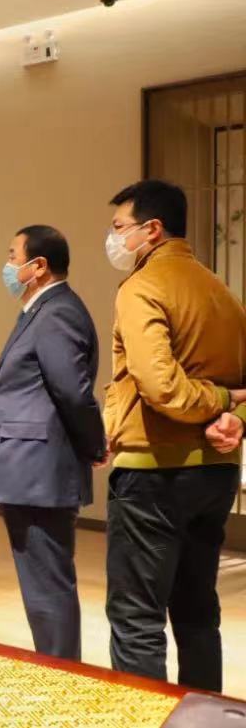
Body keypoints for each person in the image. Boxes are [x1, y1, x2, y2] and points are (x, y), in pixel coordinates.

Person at [103, 179, 246, 692]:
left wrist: (222, 401)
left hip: (154, 470)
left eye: (119, 227)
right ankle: (204, 717)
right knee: (196, 608)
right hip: (216, 472)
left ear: (152, 229)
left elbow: (161, 385)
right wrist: (235, 414)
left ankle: (144, 718)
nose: (113, 238)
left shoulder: (142, 287)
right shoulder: (222, 292)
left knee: (137, 616)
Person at [0, 225, 105, 660]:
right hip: (29, 469)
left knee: (48, 585)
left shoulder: (58, 312)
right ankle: (55, 667)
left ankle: (61, 673)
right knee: (42, 585)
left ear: (39, 266)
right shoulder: (42, 310)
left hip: (39, 471)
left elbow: (73, 392)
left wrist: (94, 445)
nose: (8, 265)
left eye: (13, 256)